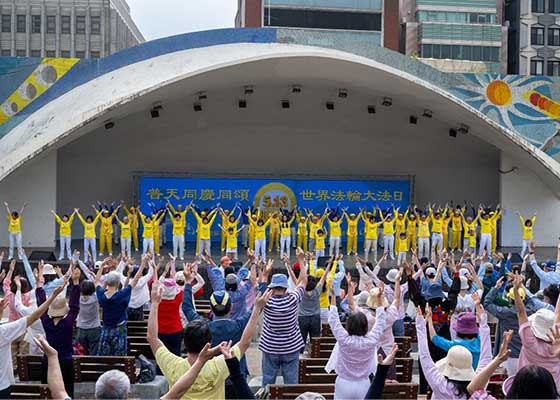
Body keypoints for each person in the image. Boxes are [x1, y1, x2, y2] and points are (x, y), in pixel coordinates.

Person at [148, 273, 269, 400]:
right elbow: (245, 341)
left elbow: (152, 337)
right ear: (208, 343)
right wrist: (257, 306)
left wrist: (156, 303)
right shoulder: (217, 366)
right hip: (233, 381)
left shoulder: (173, 366)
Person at [0, 279, 65, 399]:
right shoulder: (3, 332)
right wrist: (52, 297)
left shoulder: (5, 330)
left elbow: (19, 305)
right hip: (3, 386)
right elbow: (35, 315)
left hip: (29, 342)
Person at [415, 299, 492, 400]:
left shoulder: (440, 385)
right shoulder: (479, 384)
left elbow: (426, 357)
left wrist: (422, 325)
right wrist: (483, 323)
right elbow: (486, 358)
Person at [326, 280, 386, 399]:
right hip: (363, 384)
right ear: (365, 326)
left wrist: (333, 296)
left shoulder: (344, 339)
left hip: (343, 383)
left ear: (349, 325)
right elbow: (380, 322)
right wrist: (379, 300)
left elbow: (333, 320)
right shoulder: (371, 340)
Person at [260, 255, 308, 387]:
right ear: (286, 288)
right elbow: (303, 281)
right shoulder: (293, 299)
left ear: (272, 287)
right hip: (291, 347)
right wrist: (301, 261)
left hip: (270, 347)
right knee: (291, 383)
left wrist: (265, 274)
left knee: (267, 382)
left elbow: (260, 287)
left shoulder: (266, 301)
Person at [36, 264, 81, 398]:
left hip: (47, 362)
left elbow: (41, 305)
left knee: (47, 392)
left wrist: (39, 282)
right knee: (67, 392)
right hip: (65, 362)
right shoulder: (67, 324)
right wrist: (76, 282)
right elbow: (74, 307)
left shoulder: (46, 322)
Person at [512, 272, 560, 389]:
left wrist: (515, 291)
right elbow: (557, 313)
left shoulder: (529, 341)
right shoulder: (557, 342)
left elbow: (521, 313)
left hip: (525, 387)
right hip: (553, 389)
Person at [95, 258, 144, 356]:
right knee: (120, 355)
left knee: (105, 355)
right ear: (118, 283)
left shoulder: (101, 295)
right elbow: (135, 280)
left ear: (107, 283)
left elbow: (96, 281)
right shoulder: (122, 295)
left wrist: (101, 267)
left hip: (106, 328)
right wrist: (143, 263)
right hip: (120, 328)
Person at [77, 279, 102, 355]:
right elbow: (100, 288)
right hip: (94, 328)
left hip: (81, 328)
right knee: (94, 352)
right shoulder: (96, 298)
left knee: (82, 352)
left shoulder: (78, 299)